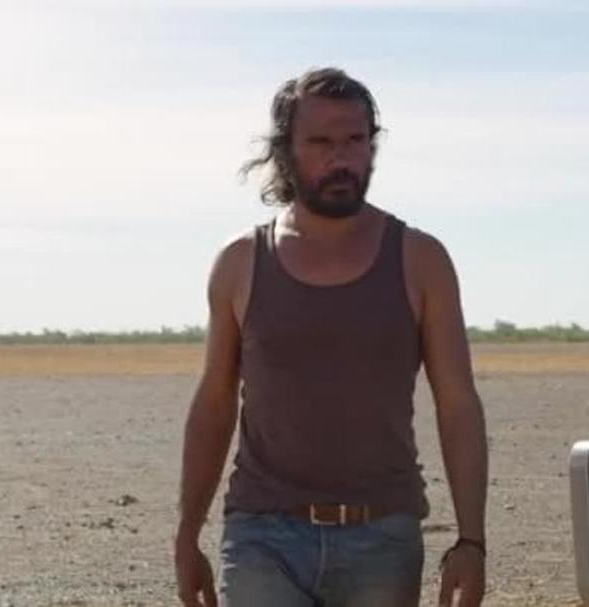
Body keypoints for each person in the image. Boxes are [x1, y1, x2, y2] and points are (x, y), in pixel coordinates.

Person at [173, 67, 488, 607]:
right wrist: (187, 535)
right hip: (262, 536)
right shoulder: (241, 262)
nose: (341, 158)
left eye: (355, 140)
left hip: (382, 538)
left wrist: (471, 541)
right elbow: (215, 402)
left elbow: (457, 402)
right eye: (320, 142)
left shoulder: (420, 260)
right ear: (285, 151)